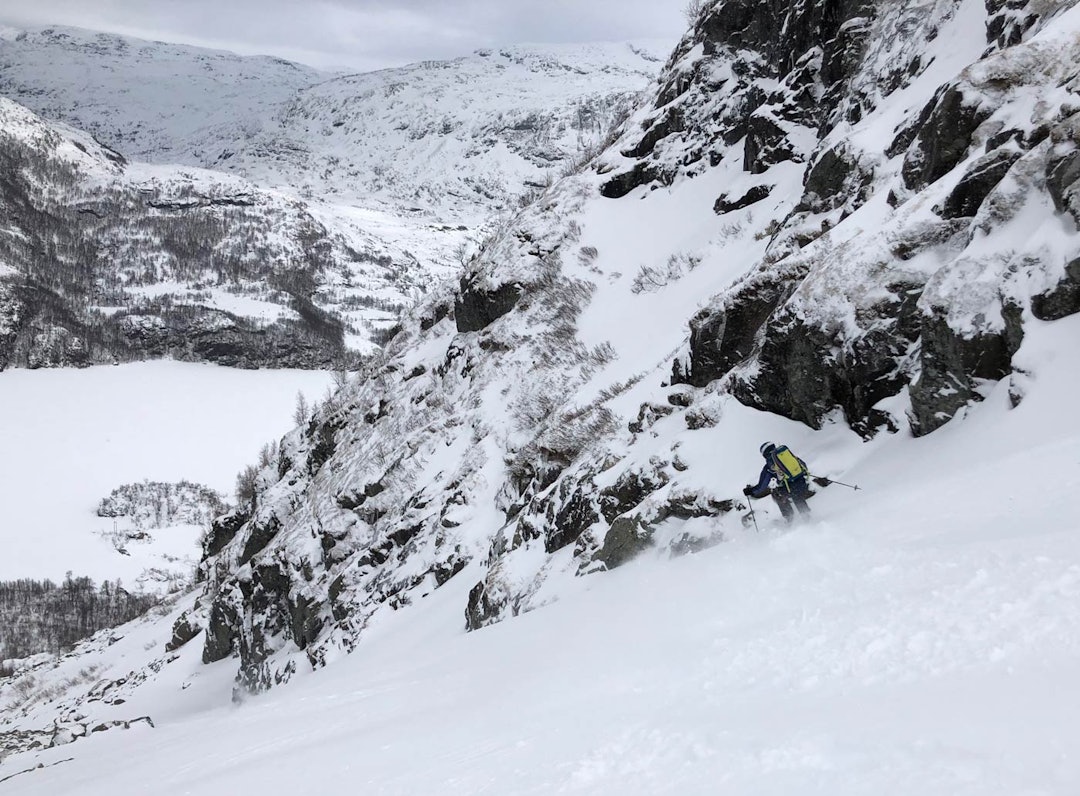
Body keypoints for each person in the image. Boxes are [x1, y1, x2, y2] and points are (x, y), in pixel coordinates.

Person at [743, 441, 811, 522]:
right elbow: (803, 465)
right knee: (796, 494)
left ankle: (789, 518)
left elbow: (762, 486)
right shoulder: (786, 454)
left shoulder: (769, 466)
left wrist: (751, 491)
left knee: (777, 494)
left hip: (790, 488)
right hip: (803, 482)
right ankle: (806, 515)